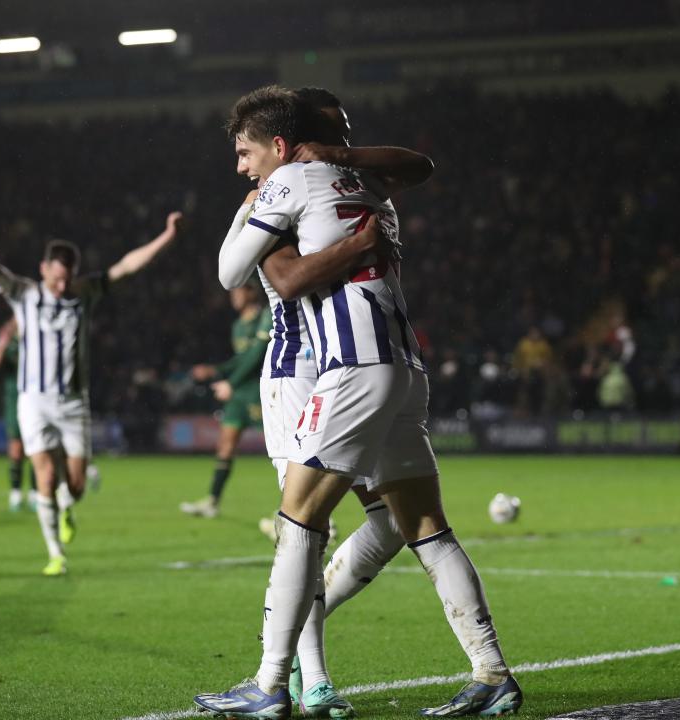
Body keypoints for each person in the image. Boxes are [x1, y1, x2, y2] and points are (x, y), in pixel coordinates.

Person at [194, 86, 521, 719]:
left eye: (247, 152)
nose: (243, 165)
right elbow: (415, 165)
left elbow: (234, 275)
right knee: (424, 527)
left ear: (284, 145)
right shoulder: (373, 188)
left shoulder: (289, 183)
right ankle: (491, 672)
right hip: (404, 367)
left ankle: (271, 684)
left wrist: (251, 207)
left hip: (350, 369)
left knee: (298, 520)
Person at [228, 86, 437, 718]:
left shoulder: (348, 186)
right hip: (297, 376)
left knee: (389, 522)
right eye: (336, 130)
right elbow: (282, 277)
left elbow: (416, 165)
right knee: (305, 526)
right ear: (298, 139)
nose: (345, 140)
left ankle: (295, 635)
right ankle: (311, 679)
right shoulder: (277, 198)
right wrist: (353, 248)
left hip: (352, 370)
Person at [0, 206, 182, 574]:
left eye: (66, 279)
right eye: (56, 278)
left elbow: (127, 267)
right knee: (44, 474)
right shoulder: (23, 294)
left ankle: (66, 505)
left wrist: (167, 237)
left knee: (75, 486)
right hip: (33, 402)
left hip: (73, 403)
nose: (61, 286)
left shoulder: (83, 293)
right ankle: (56, 554)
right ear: (43, 270)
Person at [179, 281, 272, 518]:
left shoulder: (265, 316)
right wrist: (216, 371)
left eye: (237, 291)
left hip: (258, 392)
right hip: (239, 394)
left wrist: (229, 382)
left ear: (251, 291)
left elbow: (255, 357)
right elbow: (241, 360)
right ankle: (212, 500)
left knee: (280, 450)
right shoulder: (237, 326)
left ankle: (312, 512)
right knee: (225, 446)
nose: (233, 297)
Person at [0, 317, 38, 511]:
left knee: (36, 448)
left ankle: (35, 493)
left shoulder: (36, 338)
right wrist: (1, 346)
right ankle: (15, 494)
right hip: (14, 400)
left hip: (35, 399)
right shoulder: (8, 342)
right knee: (16, 448)